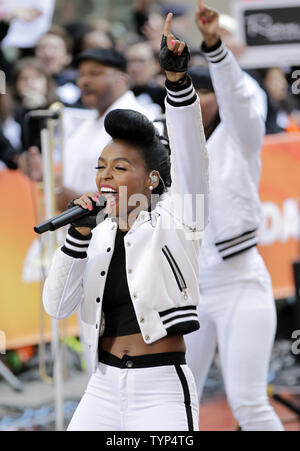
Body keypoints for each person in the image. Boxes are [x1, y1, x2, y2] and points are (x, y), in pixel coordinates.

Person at [42, 13, 209, 431]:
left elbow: (190, 153)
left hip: (160, 390)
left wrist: (177, 81)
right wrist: (76, 236)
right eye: (101, 167)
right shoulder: (95, 235)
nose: (105, 177)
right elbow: (56, 306)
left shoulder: (177, 217)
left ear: (150, 178)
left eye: (119, 167)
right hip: (101, 387)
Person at [184, 2, 284, 431]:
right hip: (186, 292)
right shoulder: (173, 147)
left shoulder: (241, 135)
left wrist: (213, 46)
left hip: (241, 283)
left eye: (207, 91)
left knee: (248, 405)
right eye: (193, 91)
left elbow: (236, 95)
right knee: (176, 403)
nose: (201, 99)